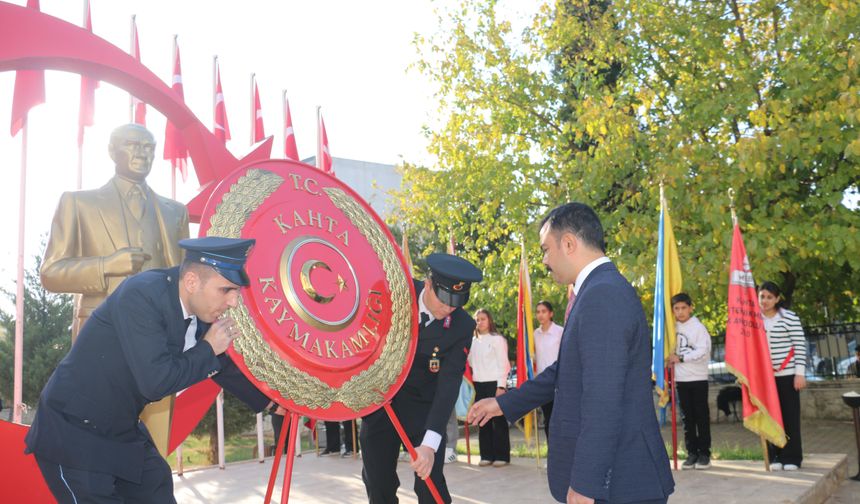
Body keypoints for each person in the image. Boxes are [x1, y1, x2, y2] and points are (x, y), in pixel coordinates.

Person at [25, 237, 276, 503]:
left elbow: (220, 363)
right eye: (226, 290)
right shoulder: (142, 295)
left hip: (121, 428)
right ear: (192, 281)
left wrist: (271, 402)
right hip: (74, 434)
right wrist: (207, 349)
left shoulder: (196, 310)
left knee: (156, 488)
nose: (234, 302)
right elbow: (156, 381)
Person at [468, 202, 674, 504]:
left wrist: (585, 483)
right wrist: (503, 404)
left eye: (545, 249)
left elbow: (602, 399)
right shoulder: (595, 291)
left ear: (568, 243)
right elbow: (565, 371)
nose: (544, 260)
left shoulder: (602, 295)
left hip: (618, 482)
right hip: (615, 477)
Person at [41, 123, 189, 342]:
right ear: (112, 151)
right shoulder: (79, 203)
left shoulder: (175, 212)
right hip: (102, 330)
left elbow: (187, 279)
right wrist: (107, 265)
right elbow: (50, 273)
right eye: (131, 144)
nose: (141, 152)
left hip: (161, 334)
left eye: (148, 147)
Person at [360, 253, 482, 504]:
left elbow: (448, 386)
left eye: (456, 302)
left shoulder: (462, 326)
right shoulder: (394, 293)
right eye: (445, 299)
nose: (449, 308)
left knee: (431, 484)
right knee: (378, 483)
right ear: (428, 284)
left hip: (424, 411)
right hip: (381, 403)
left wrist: (429, 444)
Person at [759, 281, 807, 471]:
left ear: (777, 299)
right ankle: (775, 455)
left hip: (787, 376)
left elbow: (800, 345)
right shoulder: (754, 320)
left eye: (769, 297)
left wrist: (799, 374)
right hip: (765, 379)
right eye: (762, 296)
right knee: (771, 418)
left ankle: (792, 457)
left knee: (789, 417)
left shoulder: (789, 317)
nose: (765, 300)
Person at [667, 292, 712, 470]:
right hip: (681, 379)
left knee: (701, 417)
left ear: (691, 307)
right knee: (687, 418)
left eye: (683, 308)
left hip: (698, 378)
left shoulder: (698, 328)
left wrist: (681, 358)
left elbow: (703, 350)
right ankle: (691, 453)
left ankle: (704, 454)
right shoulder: (672, 329)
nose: (680, 312)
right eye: (676, 308)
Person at [468, 308, 510, 467]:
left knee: (498, 421)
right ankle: (486, 455)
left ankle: (502, 456)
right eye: (477, 319)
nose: (480, 322)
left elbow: (503, 365)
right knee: (482, 420)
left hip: (495, 384)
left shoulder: (497, 339)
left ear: (490, 320)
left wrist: (501, 386)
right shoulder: (473, 341)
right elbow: (471, 363)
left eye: (483, 319)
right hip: (478, 384)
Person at [534, 300, 563, 441]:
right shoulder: (535, 334)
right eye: (538, 311)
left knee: (559, 420)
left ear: (551, 313)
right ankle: (551, 456)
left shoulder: (560, 332)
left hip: (559, 380)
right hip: (542, 382)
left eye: (544, 311)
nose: (540, 315)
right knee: (548, 420)